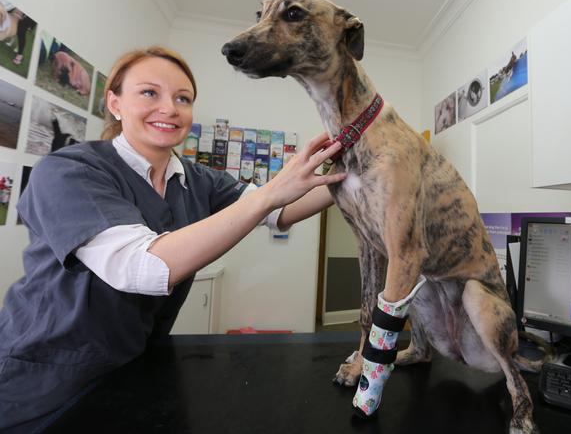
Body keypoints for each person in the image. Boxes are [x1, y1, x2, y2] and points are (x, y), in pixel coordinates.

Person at [0, 46, 346, 433]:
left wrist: (356, 177)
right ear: (115, 102)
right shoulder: (69, 170)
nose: (170, 108)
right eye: (150, 93)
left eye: (183, 98)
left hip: (136, 362)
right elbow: (142, 267)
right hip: (46, 373)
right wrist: (271, 191)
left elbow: (278, 211)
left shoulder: (198, 179)